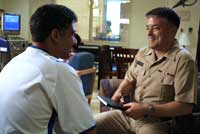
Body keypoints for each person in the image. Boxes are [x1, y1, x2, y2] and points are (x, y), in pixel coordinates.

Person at [95, 7, 197, 134]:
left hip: (158, 123)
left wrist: (147, 109)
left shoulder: (184, 60)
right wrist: (119, 92)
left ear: (172, 31)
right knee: (90, 124)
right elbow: (129, 79)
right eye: (147, 28)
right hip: (128, 117)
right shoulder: (143, 52)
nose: (149, 34)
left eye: (155, 28)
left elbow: (185, 107)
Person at [0, 4, 96, 134]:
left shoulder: (13, 64)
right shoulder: (59, 70)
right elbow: (87, 130)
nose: (74, 41)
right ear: (55, 35)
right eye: (72, 34)